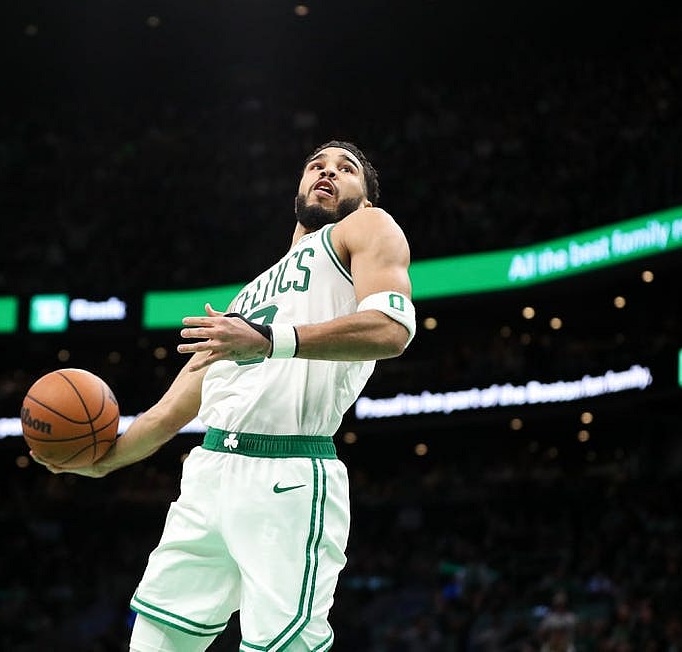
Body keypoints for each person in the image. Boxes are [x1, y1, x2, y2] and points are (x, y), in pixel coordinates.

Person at [34, 140, 415, 652]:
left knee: (282, 646)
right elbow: (172, 409)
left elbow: (392, 329)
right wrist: (103, 463)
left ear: (366, 199)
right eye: (316, 166)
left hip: (289, 474)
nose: (327, 173)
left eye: (345, 170)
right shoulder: (247, 296)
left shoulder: (365, 228)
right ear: (298, 188)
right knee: (155, 638)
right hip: (210, 471)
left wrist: (268, 341)